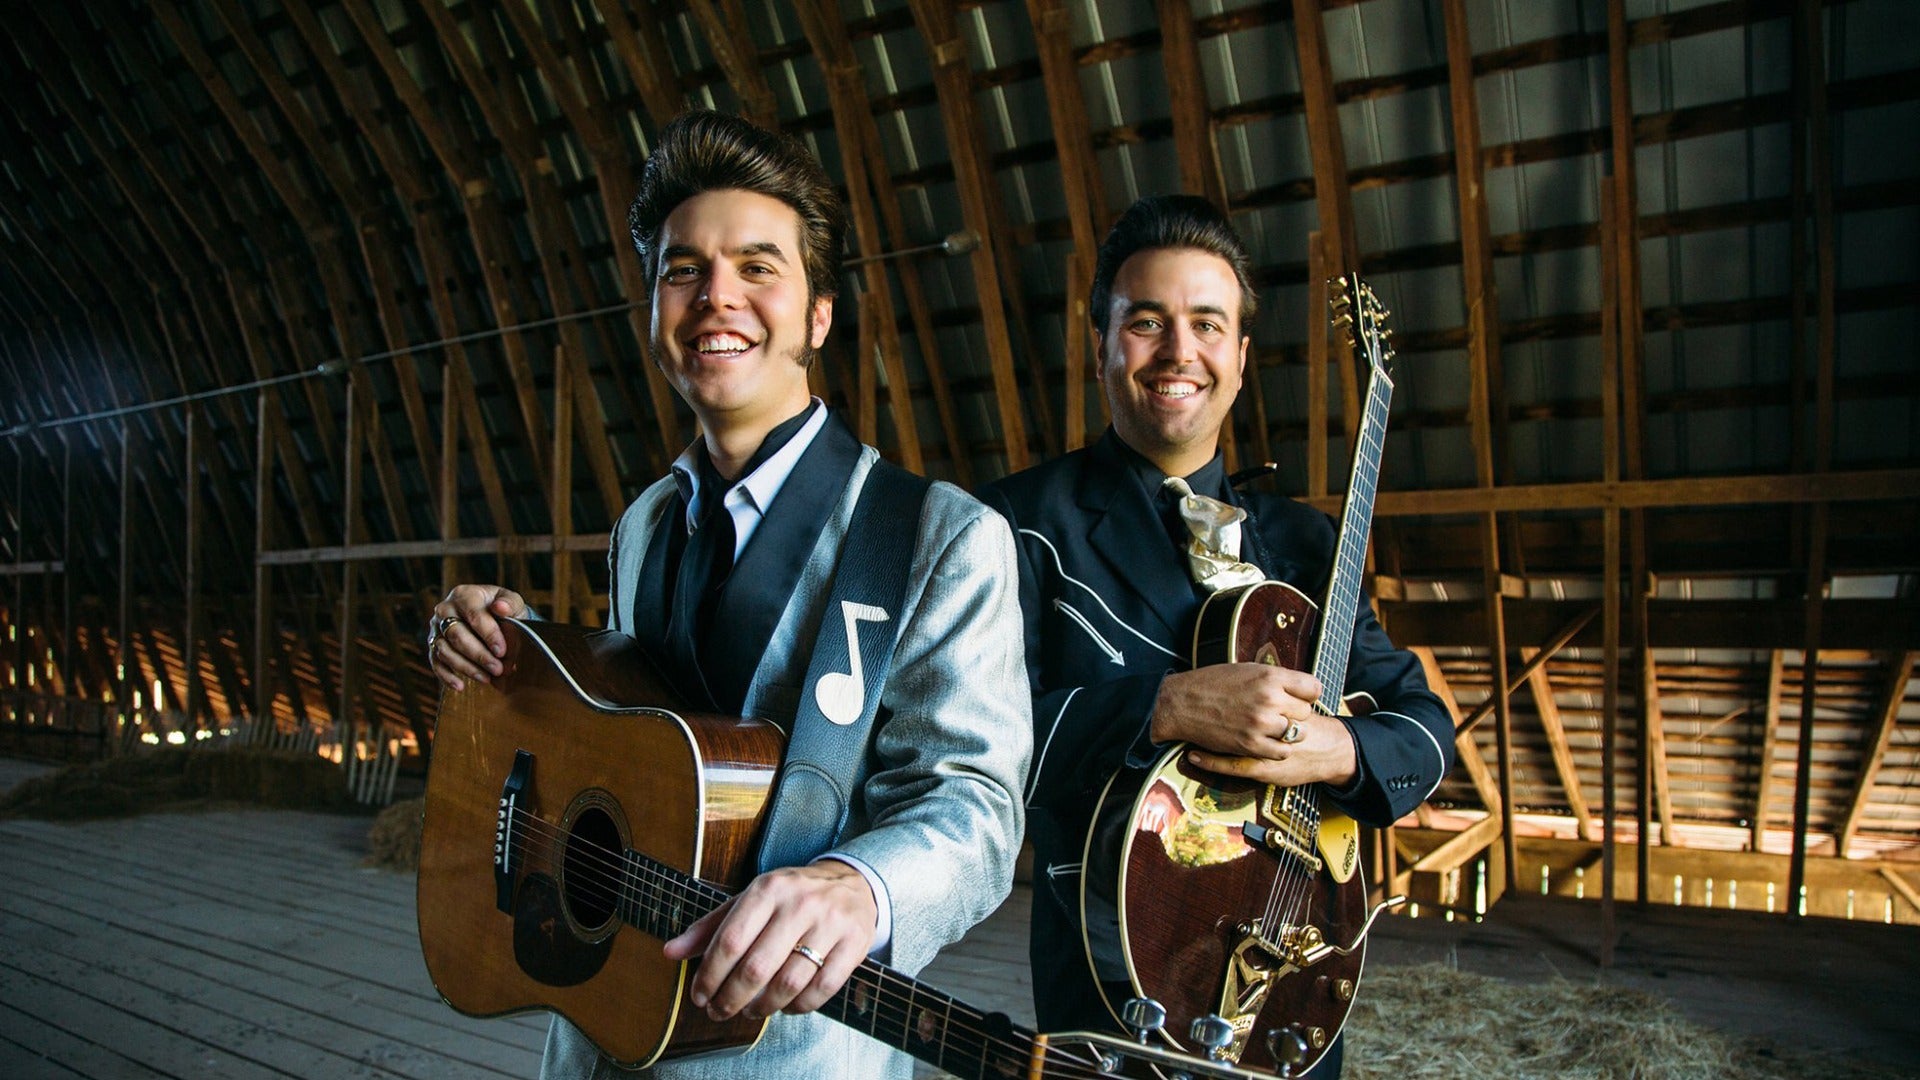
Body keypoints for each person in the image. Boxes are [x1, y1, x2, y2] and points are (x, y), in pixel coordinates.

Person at [426, 110, 1030, 1079]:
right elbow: (636, 730)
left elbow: (976, 808)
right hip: (598, 1017)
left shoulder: (938, 535)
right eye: (681, 270)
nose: (717, 298)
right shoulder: (646, 523)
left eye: (758, 267)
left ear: (818, 318)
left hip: (795, 1050)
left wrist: (855, 887)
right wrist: (515, 653)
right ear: (653, 313)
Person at [980, 194, 1453, 1076]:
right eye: (1146, 322)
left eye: (1206, 324)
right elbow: (968, 745)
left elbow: (1425, 726)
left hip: (1299, 978)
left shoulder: (1309, 544)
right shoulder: (1012, 524)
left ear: (1238, 356)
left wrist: (1339, 749)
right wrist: (1159, 708)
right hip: (1115, 977)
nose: (1178, 352)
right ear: (1100, 347)